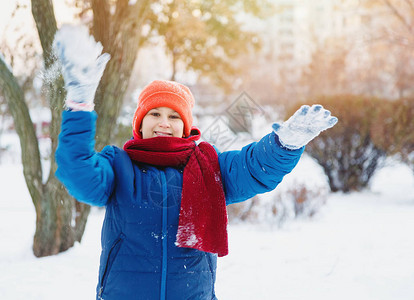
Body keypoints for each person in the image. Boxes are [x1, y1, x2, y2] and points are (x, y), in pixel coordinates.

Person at [54, 25, 337, 300]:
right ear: (140, 123)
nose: (164, 122)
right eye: (154, 114)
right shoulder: (119, 166)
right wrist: (79, 105)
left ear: (186, 126)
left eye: (174, 116)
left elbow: (252, 168)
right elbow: (77, 170)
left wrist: (285, 144)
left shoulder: (209, 168)